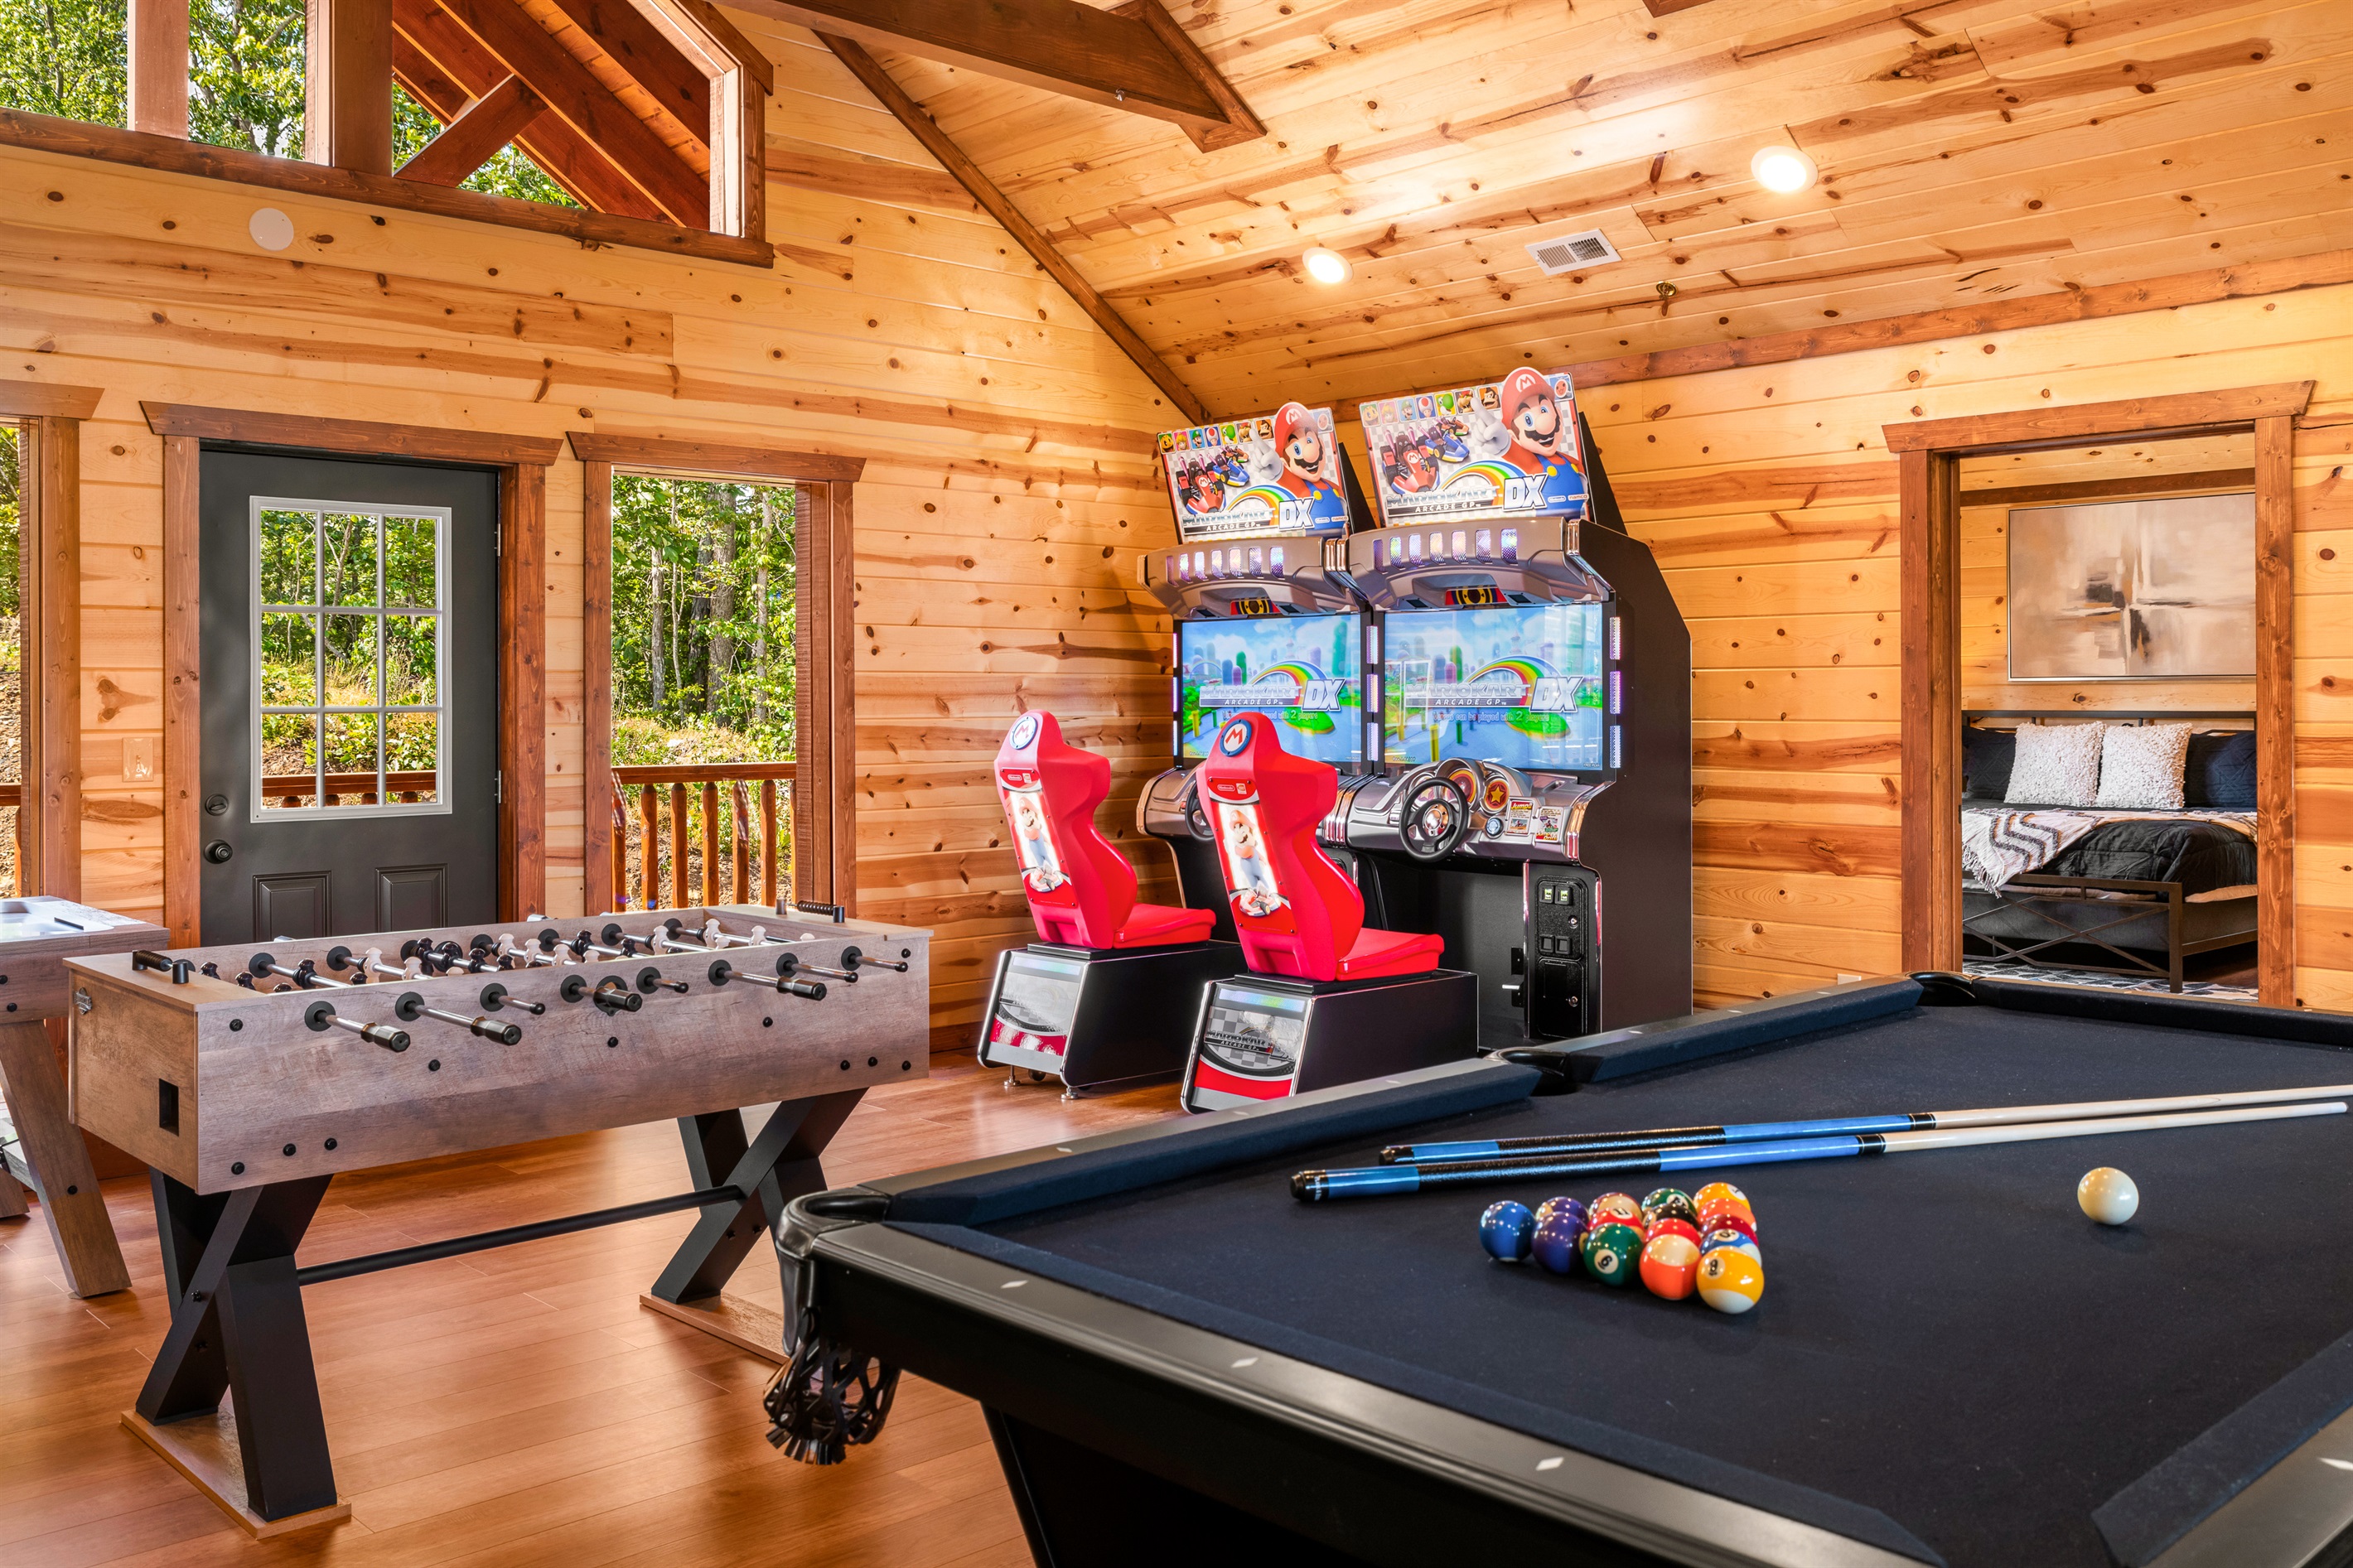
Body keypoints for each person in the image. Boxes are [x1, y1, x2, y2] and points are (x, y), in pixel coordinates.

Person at [1495, 366, 1578, 478]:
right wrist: (1501, 445)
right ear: (1514, 437)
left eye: (1544, 410)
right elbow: (1515, 455)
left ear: (1559, 414)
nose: (1544, 425)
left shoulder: (1571, 461)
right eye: (1528, 420)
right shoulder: (1531, 463)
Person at [1222, 804, 1284, 915]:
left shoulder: (1248, 849)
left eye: (1241, 832)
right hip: (1250, 872)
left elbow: (1242, 853)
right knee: (1254, 883)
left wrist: (1232, 847)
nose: (1237, 835)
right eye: (1235, 831)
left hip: (1255, 870)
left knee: (1260, 881)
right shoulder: (1248, 848)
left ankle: (1267, 897)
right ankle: (1259, 896)